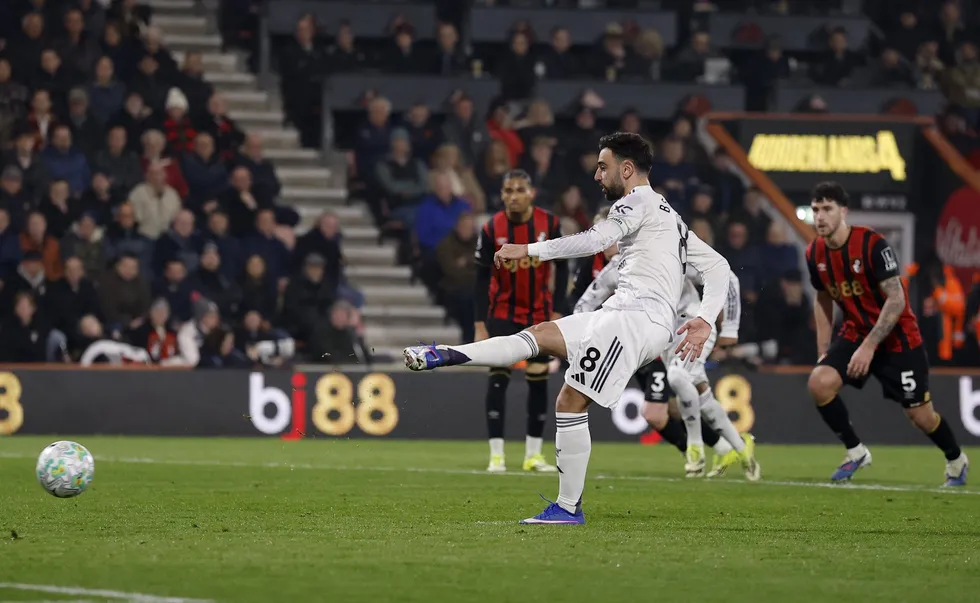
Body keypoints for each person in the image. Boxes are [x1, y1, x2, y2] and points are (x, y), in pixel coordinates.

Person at [403, 133, 731, 524]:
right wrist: (705, 318)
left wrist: (529, 250)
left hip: (635, 320)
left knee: (569, 402)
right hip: (623, 313)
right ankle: (446, 354)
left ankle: (568, 507)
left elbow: (595, 240)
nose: (597, 175)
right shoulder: (669, 215)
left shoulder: (636, 202)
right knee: (540, 334)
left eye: (603, 166)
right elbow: (718, 266)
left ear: (627, 169)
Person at [804, 181, 968, 486]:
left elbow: (896, 299)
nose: (820, 217)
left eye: (827, 209)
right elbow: (823, 298)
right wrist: (823, 350)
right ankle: (856, 452)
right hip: (855, 333)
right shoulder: (814, 253)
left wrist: (869, 346)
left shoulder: (872, 245)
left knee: (921, 417)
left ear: (843, 211)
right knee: (819, 383)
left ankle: (956, 459)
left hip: (897, 339)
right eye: (815, 210)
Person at [572, 217, 757, 480]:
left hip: (693, 327)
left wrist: (729, 327)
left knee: (678, 378)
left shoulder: (668, 254)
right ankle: (739, 446)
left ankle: (695, 447)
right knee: (699, 388)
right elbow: (584, 305)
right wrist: (582, 336)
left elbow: (726, 276)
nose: (607, 243)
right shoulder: (615, 270)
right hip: (666, 340)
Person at [473, 169, 568, 473]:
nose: (513, 196)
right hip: (502, 314)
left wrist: (558, 310)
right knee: (498, 378)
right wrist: (479, 323)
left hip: (538, 315)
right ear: (501, 194)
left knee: (538, 380)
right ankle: (496, 455)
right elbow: (480, 277)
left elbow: (563, 267)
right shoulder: (492, 228)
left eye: (519, 190)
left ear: (531, 193)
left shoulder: (549, 223)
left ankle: (533, 455)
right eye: (508, 190)